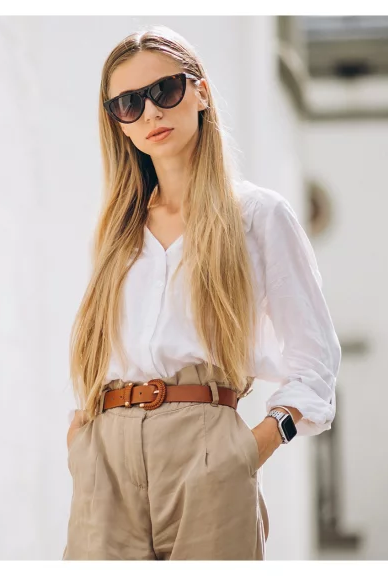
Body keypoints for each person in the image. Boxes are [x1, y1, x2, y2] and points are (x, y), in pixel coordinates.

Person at [62, 25, 342, 561]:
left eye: (164, 91)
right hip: (107, 454)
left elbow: (316, 361)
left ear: (201, 91)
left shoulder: (257, 217)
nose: (150, 113)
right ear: (117, 122)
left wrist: (250, 447)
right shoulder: (118, 230)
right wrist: (82, 441)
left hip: (207, 445)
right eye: (127, 103)